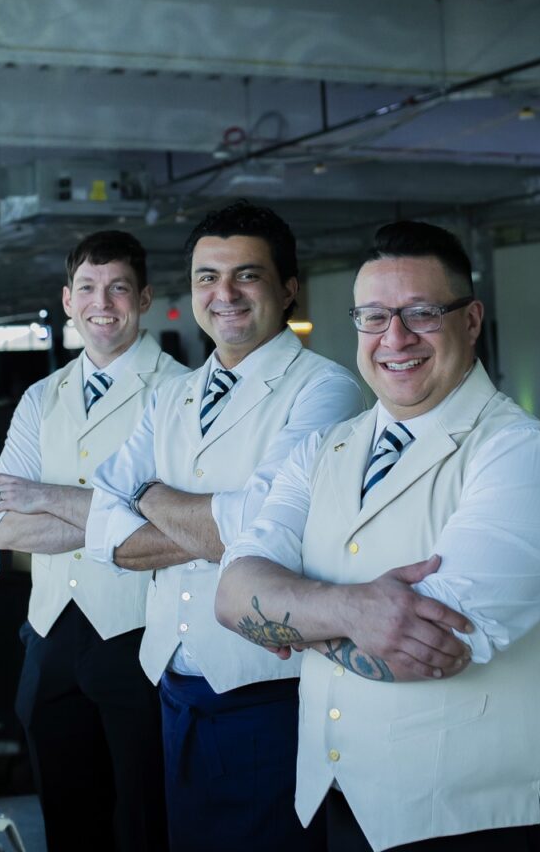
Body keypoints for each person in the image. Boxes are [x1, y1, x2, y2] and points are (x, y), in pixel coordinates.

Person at [216, 220, 540, 852]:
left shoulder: (522, 454)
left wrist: (290, 615)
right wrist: (352, 610)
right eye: (372, 317)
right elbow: (231, 595)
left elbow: (422, 647)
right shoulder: (324, 448)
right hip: (342, 798)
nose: (394, 338)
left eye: (421, 313)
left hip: (474, 818)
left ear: (470, 320)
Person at [86, 201, 365, 852]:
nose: (224, 294)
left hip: (269, 688)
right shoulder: (171, 395)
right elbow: (104, 528)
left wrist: (147, 490)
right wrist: (209, 521)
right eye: (207, 277)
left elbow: (258, 529)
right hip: (171, 680)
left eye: (246, 275)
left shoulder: (325, 391)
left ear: (288, 287)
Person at [0, 230, 186, 852]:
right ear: (68, 300)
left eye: (119, 287)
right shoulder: (40, 397)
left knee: (145, 823)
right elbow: (1, 525)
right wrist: (117, 514)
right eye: (90, 289)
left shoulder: (181, 391)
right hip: (48, 641)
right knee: (69, 825)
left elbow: (178, 529)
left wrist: (42, 496)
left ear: (145, 298)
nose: (104, 302)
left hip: (140, 638)